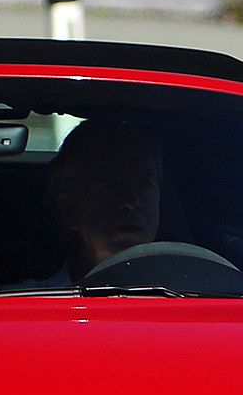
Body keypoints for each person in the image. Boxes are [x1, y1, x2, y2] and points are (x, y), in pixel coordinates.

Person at [47, 119, 162, 280]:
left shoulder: (198, 296)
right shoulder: (23, 302)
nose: (130, 202)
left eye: (144, 184)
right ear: (68, 210)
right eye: (110, 186)